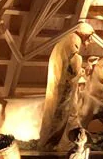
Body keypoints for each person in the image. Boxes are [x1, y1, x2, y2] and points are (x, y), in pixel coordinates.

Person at [39, 22, 94, 150]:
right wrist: (85, 69)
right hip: (64, 89)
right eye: (90, 36)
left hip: (62, 86)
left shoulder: (67, 42)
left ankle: (63, 142)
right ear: (84, 34)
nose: (91, 40)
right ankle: (52, 144)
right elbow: (73, 69)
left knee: (70, 114)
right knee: (60, 117)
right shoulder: (72, 43)